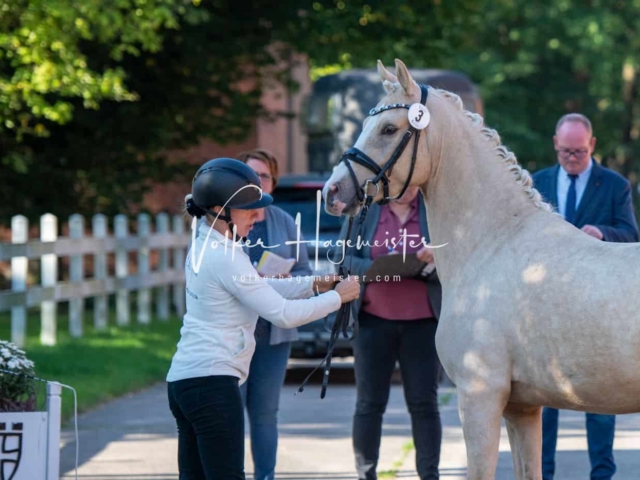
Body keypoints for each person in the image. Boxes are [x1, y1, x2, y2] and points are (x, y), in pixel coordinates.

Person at [166, 157, 361, 480]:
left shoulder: (205, 240)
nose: (257, 217)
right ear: (220, 209)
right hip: (212, 385)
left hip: (185, 382)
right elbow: (282, 315)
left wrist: (314, 283)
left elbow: (257, 286)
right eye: (249, 209)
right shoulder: (225, 256)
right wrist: (336, 298)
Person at [533, 113, 639, 480]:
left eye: (578, 151)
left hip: (598, 307)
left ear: (592, 145)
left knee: (600, 399)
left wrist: (602, 233)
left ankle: (602, 475)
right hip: (547, 307)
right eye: (565, 151)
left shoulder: (615, 185)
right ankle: (541, 473)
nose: (571, 158)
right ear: (555, 144)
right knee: (543, 397)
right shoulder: (537, 183)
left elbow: (631, 235)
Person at [331, 186, 443, 480]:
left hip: (424, 324)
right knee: (369, 404)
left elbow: (461, 254)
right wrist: (374, 269)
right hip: (373, 322)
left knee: (424, 404)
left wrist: (437, 259)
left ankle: (429, 475)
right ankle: (366, 475)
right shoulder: (365, 211)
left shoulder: (435, 210)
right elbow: (341, 258)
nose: (408, 190)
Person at [235, 148, 311, 480]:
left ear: (272, 182)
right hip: (234, 335)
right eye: (250, 175)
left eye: (263, 175)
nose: (257, 181)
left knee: (265, 414)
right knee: (231, 414)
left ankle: (265, 476)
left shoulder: (285, 222)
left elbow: (305, 273)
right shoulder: (228, 219)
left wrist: (284, 279)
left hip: (273, 335)